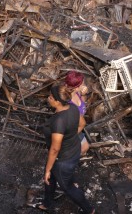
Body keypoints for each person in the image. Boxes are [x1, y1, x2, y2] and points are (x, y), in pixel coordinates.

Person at [40, 85, 94, 213]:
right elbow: (82, 124)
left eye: (51, 97)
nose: (48, 99)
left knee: (67, 187)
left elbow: (54, 149)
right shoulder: (73, 107)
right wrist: (70, 137)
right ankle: (48, 203)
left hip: (63, 159)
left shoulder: (59, 121)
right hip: (74, 149)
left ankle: (89, 209)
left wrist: (48, 169)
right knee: (50, 177)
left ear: (58, 101)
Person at [65, 71, 90, 155]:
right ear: (76, 87)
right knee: (84, 148)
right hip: (71, 131)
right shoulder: (69, 104)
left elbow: (83, 103)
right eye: (82, 83)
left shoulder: (77, 93)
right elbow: (81, 124)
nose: (84, 84)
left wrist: (84, 94)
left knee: (85, 147)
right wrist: (72, 137)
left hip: (77, 127)